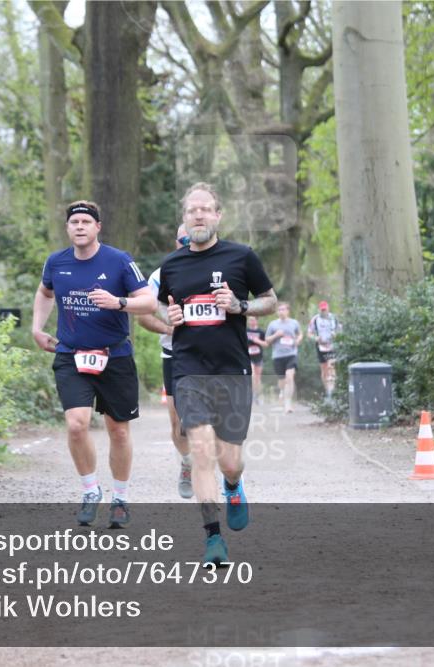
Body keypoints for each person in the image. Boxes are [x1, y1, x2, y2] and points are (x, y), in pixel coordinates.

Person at [159, 182, 277, 564]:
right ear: (184, 217)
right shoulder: (171, 265)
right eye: (192, 210)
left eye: (205, 209)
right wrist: (170, 317)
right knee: (201, 450)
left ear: (218, 215)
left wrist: (240, 305)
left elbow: (271, 301)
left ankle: (234, 486)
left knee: (229, 460)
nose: (198, 215)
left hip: (232, 372)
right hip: (189, 371)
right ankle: (213, 538)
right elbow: (163, 309)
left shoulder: (241, 257)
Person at [32, 200, 157, 528]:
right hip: (70, 354)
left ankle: (120, 498)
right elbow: (45, 294)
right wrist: (36, 327)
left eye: (87, 221)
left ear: (98, 227)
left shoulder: (119, 261)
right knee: (76, 423)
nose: (80, 226)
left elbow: (149, 302)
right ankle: (90, 491)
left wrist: (119, 302)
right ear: (68, 228)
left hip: (114, 356)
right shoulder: (56, 263)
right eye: (74, 222)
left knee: (118, 430)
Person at [136, 225, 193, 499]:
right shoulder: (161, 275)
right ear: (176, 242)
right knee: (178, 421)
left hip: (211, 354)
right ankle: (187, 464)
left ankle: (220, 465)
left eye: (193, 237)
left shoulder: (220, 270)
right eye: (184, 239)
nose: (189, 243)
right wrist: (170, 330)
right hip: (175, 353)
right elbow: (144, 316)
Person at [266, 303, 302, 413]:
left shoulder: (294, 323)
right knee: (282, 381)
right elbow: (267, 340)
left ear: (288, 311)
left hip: (291, 354)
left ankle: (288, 404)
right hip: (278, 355)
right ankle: (282, 393)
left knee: (289, 376)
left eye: (283, 309)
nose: (281, 311)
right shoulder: (273, 324)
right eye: (279, 309)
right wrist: (276, 335)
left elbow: (300, 334)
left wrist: (298, 340)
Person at [308, 300, 341, 399]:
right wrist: (315, 338)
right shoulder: (315, 319)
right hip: (321, 347)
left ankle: (332, 390)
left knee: (331, 365)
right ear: (319, 310)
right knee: (324, 370)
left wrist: (336, 335)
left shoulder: (334, 318)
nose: (323, 311)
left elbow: (340, 331)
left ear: (328, 309)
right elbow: (309, 333)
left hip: (332, 346)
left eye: (325, 309)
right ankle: (327, 390)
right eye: (322, 310)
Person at [246, 316, 269, 404]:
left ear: (257, 320)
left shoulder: (261, 332)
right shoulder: (245, 331)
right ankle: (251, 395)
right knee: (252, 375)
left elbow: (266, 344)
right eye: (250, 320)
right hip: (248, 357)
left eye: (253, 320)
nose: (251, 321)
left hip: (258, 357)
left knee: (257, 378)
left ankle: (257, 396)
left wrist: (257, 341)